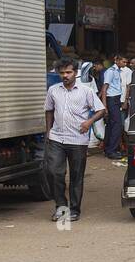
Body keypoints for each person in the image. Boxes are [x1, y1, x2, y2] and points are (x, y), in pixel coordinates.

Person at [43, 58, 106, 222]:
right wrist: (48, 131)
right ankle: (61, 208)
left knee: (76, 176)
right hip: (57, 138)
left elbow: (101, 110)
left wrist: (89, 122)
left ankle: (74, 210)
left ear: (75, 73)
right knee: (55, 172)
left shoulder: (86, 91)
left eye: (69, 72)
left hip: (78, 140)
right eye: (62, 73)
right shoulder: (53, 90)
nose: (65, 75)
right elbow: (49, 110)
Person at [100, 55, 126, 159]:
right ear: (117, 61)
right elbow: (104, 89)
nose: (125, 64)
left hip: (116, 99)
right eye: (123, 61)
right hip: (111, 99)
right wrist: (105, 105)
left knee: (111, 125)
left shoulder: (118, 71)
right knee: (117, 125)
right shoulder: (110, 71)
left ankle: (108, 149)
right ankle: (112, 150)